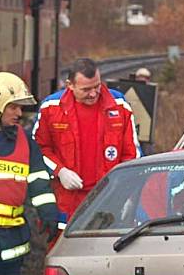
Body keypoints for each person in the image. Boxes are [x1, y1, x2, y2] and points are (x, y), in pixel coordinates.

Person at [33, 58, 140, 229]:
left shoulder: (119, 106)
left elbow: (132, 154)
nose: (93, 94)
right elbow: (38, 149)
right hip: (66, 202)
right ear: (70, 85)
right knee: (63, 252)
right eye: (86, 89)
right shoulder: (51, 108)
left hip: (109, 200)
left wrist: (126, 194)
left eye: (97, 86)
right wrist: (60, 171)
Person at [0, 72, 59, 275]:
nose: (19, 113)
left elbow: (39, 181)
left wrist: (48, 212)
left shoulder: (24, 141)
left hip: (11, 238)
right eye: (13, 107)